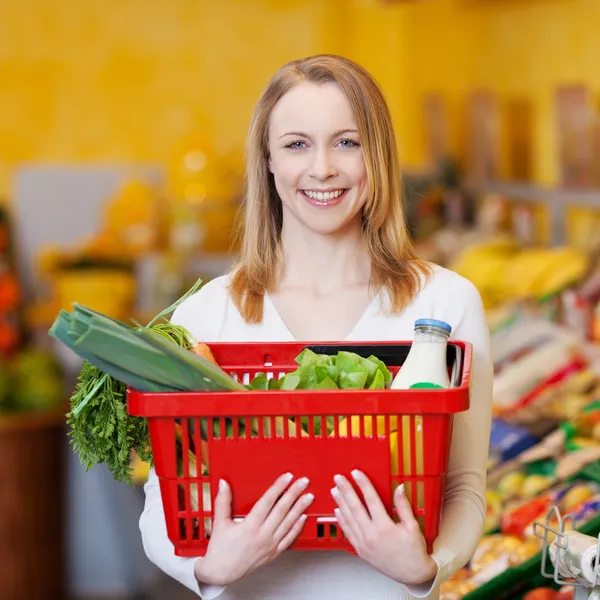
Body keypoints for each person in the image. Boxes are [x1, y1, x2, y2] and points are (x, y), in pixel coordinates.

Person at [139, 54, 493, 600]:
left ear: (377, 156)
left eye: (347, 142)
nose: (323, 168)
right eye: (297, 144)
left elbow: (465, 487)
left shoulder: (445, 304)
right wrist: (209, 569)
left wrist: (426, 568)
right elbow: (163, 503)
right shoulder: (204, 318)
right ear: (269, 162)